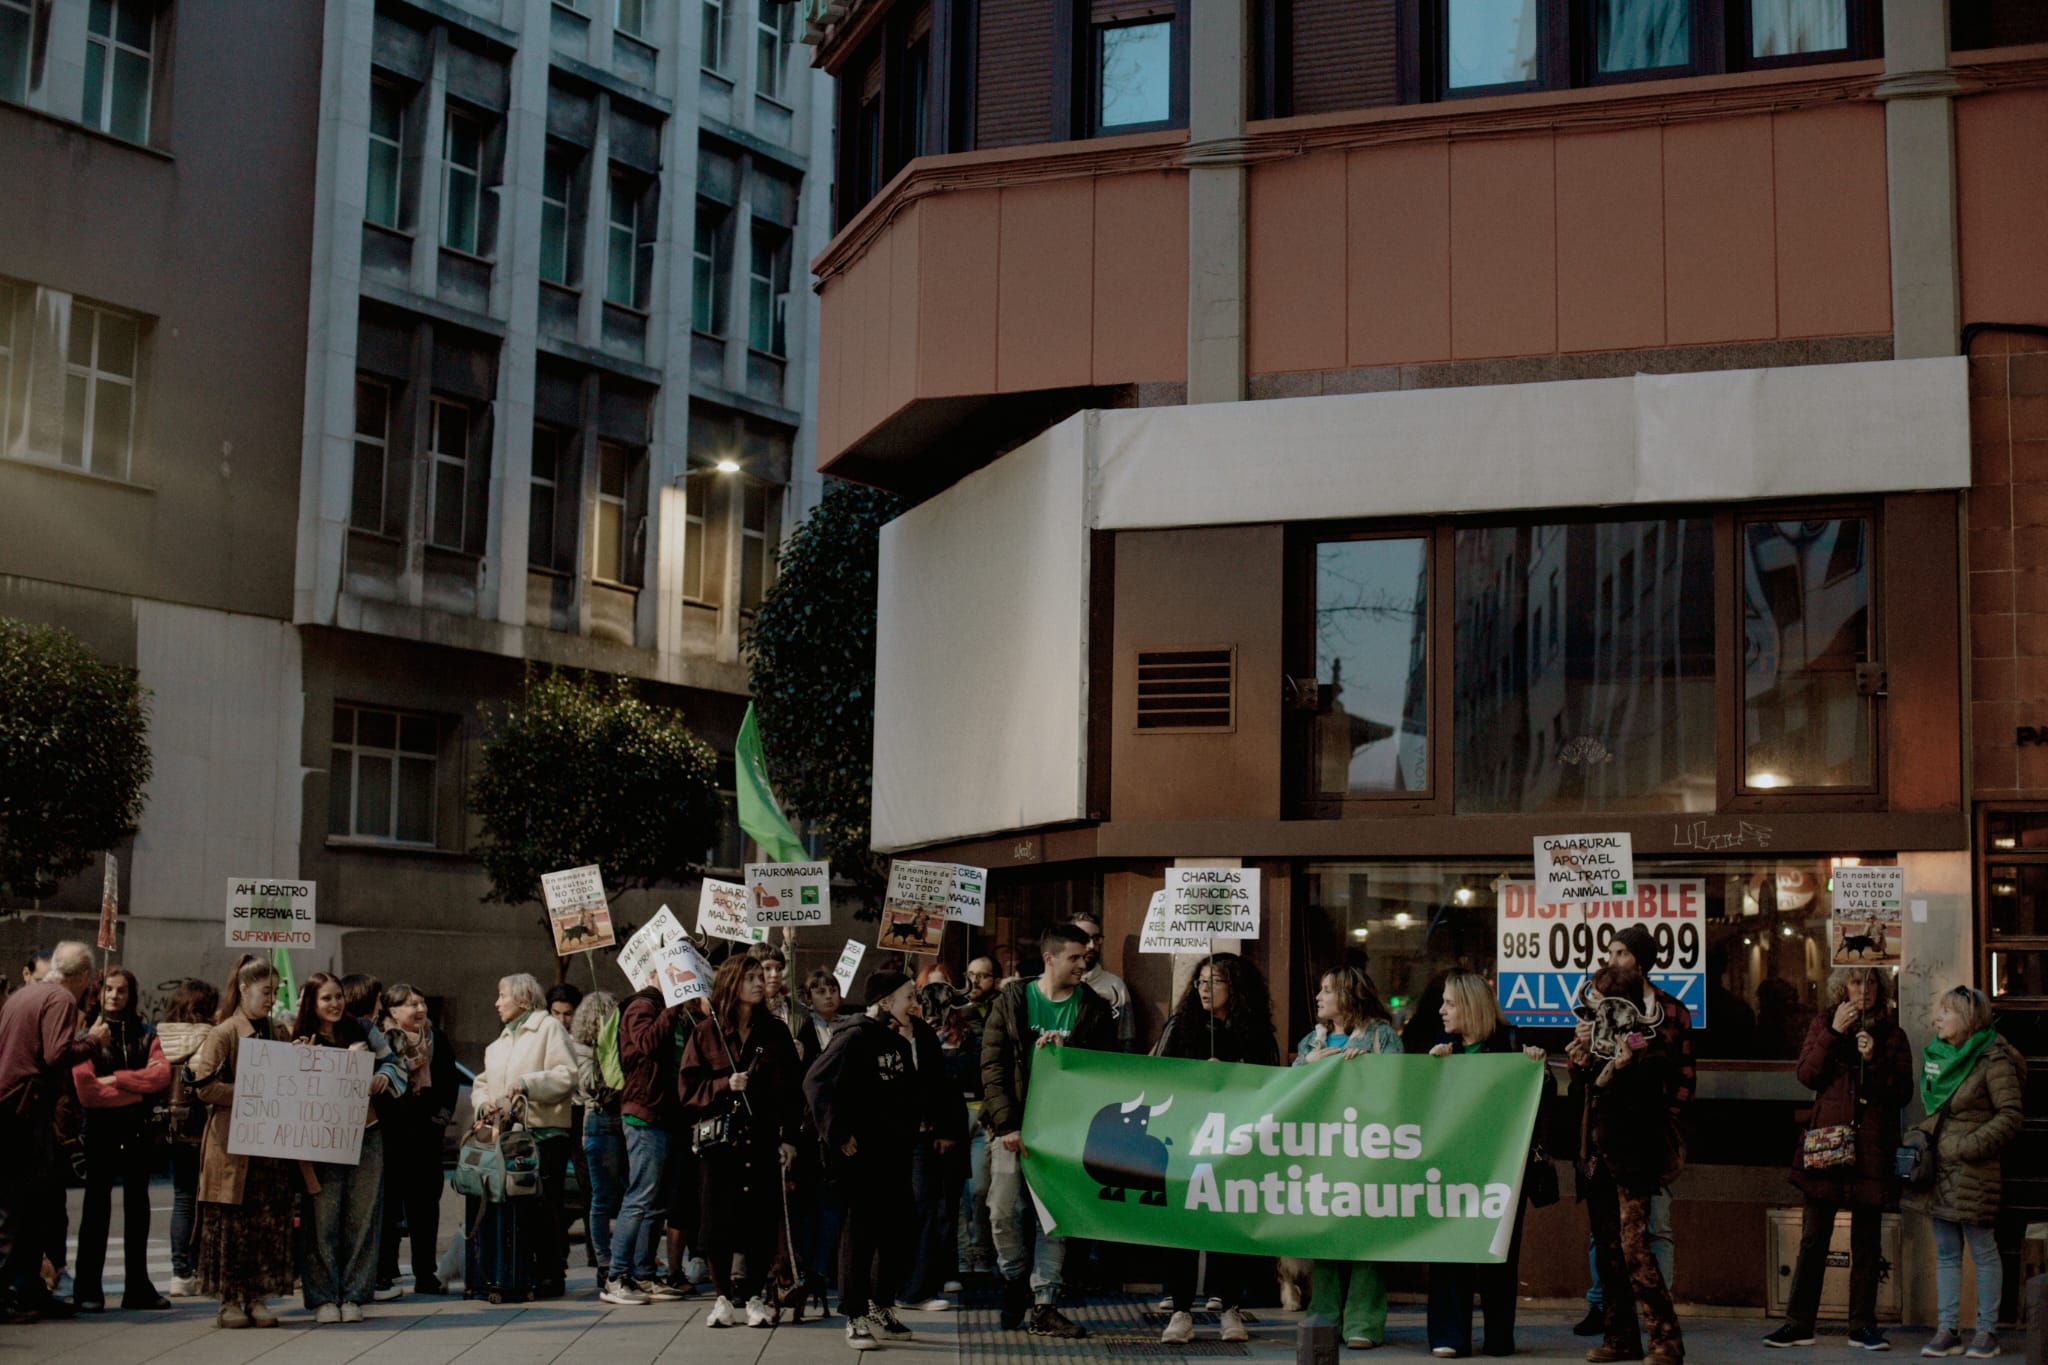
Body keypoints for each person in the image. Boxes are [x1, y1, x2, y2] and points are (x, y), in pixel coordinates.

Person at [1759, 966, 1912, 1351]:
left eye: (1872, 981)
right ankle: (1799, 1322)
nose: (1865, 990)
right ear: (1841, 987)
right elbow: (1807, 1075)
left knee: (1866, 1240)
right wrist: (1833, 1034)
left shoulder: (1893, 1034)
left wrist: (1874, 1059)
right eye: (1856, 982)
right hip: (1827, 1142)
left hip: (1871, 1146)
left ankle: (1862, 1324)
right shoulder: (1823, 1024)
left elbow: (1902, 1093)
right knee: (1813, 1237)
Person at [981, 923, 1115, 1336]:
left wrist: (1070, 1053)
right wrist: (1006, 1123)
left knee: (1051, 1219)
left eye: (1086, 955)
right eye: (1075, 956)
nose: (1083, 962)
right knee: (1001, 1211)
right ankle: (1014, 1278)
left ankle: (1044, 1301)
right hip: (1014, 1128)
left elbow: (1107, 1069)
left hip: (1063, 1132)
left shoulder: (1093, 1006)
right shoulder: (1014, 999)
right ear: (1050, 958)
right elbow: (992, 1063)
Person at [1424, 969, 1550, 1359]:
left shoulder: (1513, 1046)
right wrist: (1432, 1069)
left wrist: (1536, 1070)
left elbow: (1539, 1106)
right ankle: (1450, 1335)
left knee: (1498, 1254)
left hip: (1503, 1168)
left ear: (1471, 1006)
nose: (1442, 1011)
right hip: (1454, 1165)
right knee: (1449, 1247)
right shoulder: (1445, 1049)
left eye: (1449, 1003)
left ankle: (1499, 1337)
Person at [1156, 953, 1280, 1345]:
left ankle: (1229, 1306)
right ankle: (1179, 1310)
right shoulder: (1182, 1026)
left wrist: (1230, 1073)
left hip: (1235, 1140)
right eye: (1201, 982)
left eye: (1215, 982)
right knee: (1183, 1225)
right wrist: (1198, 1077)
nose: (1204, 990)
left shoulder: (1257, 1031)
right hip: (1187, 1139)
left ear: (1236, 987)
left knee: (1228, 1223)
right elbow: (1159, 1076)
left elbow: (1271, 1084)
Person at [1568, 960, 1686, 1365]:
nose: (1594, 1014)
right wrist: (1583, 1064)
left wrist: (1624, 1068)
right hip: (1597, 1159)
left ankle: (1665, 1340)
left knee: (1636, 1248)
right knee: (1608, 1252)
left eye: (1603, 1003)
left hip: (1632, 1161)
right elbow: (1582, 1096)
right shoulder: (1592, 1047)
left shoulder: (1650, 1049)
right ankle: (1619, 1338)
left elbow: (1650, 1105)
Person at [679, 955, 802, 1329]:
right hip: (720, 1145)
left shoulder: (775, 1031)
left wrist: (790, 1139)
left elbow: (793, 1093)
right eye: (749, 978)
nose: (758, 983)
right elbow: (687, 1089)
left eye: (759, 977)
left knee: (760, 1221)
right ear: (732, 984)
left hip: (762, 1138)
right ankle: (721, 1298)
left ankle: (753, 1297)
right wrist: (723, 1085)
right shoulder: (706, 1032)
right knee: (717, 1223)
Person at [1906, 984, 2027, 1360]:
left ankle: (1986, 1332)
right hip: (1940, 1171)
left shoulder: (1993, 1059)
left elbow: (2010, 1116)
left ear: (1969, 1019)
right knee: (1945, 1253)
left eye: (1946, 1012)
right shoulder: (1940, 1058)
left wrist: (1967, 1146)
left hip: (1974, 1172)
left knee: (1983, 1251)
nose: (1937, 1018)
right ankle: (1948, 1331)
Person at [806, 967, 924, 1350]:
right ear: (886, 1001)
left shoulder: (901, 1042)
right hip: (861, 1160)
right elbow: (815, 1082)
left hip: (895, 1156)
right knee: (858, 1235)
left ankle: (881, 1306)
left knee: (895, 1233)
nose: (915, 1004)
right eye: (909, 997)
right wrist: (838, 1133)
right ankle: (854, 1315)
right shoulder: (853, 1037)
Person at [191, 953, 309, 1329]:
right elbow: (204, 1088)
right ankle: (229, 1300)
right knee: (232, 1226)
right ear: (243, 989)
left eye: (276, 991)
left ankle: (257, 1296)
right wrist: (251, 1092)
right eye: (266, 990)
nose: (272, 998)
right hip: (230, 1149)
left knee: (267, 1222)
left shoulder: (279, 1032)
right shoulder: (223, 1033)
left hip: (268, 1149)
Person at [1295, 966, 1402, 1350]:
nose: (1319, 997)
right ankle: (1323, 1317)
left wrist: (1370, 1069)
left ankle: (1363, 1321)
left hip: (1368, 1148)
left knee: (1365, 1235)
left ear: (1349, 995)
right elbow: (1287, 1093)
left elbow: (1399, 1087)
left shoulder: (1381, 1037)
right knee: (1325, 1233)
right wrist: (1307, 1068)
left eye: (1327, 990)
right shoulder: (1312, 1042)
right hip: (1323, 1149)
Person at [0, 943, 109, 1321]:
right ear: (80, 977)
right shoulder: (61, 999)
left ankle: (29, 1289)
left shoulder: (24, 994)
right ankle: (8, 1294)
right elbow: (56, 1055)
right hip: (24, 1113)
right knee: (19, 1209)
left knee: (34, 1207)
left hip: (15, 1109)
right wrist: (94, 1040)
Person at [294, 972, 402, 1323]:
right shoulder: (300, 1038)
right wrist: (300, 1062)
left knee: (363, 1217)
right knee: (322, 1219)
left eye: (338, 996)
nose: (335, 1004)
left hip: (366, 1134)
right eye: (326, 998)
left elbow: (393, 1062)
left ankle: (355, 1296)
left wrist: (381, 1075)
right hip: (321, 1138)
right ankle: (325, 1298)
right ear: (312, 1001)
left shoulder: (362, 1030)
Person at [67, 966, 171, 1313]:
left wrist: (117, 1080)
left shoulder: (145, 1033)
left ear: (130, 994)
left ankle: (138, 1287)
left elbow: (160, 1076)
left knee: (138, 1210)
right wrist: (133, 1089)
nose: (114, 996)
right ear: (99, 992)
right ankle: (87, 1289)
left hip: (138, 1131)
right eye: (108, 989)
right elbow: (87, 1092)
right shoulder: (86, 1035)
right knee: (96, 1209)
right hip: (98, 1131)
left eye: (121, 990)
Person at [471, 973, 578, 1299]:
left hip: (545, 1133)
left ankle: (550, 1272)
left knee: (545, 1206)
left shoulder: (548, 1028)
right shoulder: (499, 1042)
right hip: (509, 1137)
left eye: (502, 995)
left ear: (522, 999)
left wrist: (529, 1084)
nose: (497, 1003)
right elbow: (481, 1083)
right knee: (519, 1207)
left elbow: (567, 1075)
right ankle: (521, 1270)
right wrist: (484, 1103)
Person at [600, 970, 685, 1306]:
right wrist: (673, 1009)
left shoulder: (668, 1008)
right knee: (640, 1195)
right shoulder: (642, 1006)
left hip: (664, 1114)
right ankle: (616, 1277)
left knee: (655, 1201)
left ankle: (644, 1275)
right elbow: (647, 1044)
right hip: (643, 1113)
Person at [897, 970, 970, 1315]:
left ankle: (917, 1287)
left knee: (930, 1209)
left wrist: (944, 1128)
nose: (919, 1004)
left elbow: (940, 1086)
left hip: (925, 1137)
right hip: (893, 1136)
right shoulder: (872, 1033)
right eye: (912, 998)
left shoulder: (924, 1036)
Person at [378, 982, 455, 1295]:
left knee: (426, 1206)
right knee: (388, 1206)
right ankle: (385, 1271)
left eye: (422, 1003)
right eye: (411, 1004)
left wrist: (440, 1118)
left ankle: (426, 1272)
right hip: (392, 1135)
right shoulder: (383, 1041)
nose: (420, 1009)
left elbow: (449, 1082)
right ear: (394, 1012)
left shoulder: (437, 1040)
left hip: (426, 1136)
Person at [157, 977, 219, 1298]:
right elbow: (207, 1082)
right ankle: (192, 1268)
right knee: (203, 1199)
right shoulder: (208, 1035)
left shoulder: (161, 1034)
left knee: (182, 1197)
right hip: (201, 1126)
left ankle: (178, 1271)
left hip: (170, 1127)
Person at [570, 990, 626, 1290]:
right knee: (601, 1198)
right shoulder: (580, 1051)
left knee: (611, 1197)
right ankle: (604, 1261)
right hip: (599, 1119)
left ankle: (612, 1259)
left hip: (607, 1122)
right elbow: (588, 1087)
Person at [544, 982, 595, 1271]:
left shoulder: (582, 1041)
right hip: (555, 1116)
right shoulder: (546, 1039)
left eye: (567, 1014)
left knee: (588, 1187)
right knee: (553, 1189)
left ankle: (593, 1253)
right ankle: (557, 1253)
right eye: (556, 1013)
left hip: (580, 1115)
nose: (562, 1020)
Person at [958, 957, 1000, 1279]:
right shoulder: (953, 1010)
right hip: (956, 1108)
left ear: (996, 980)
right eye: (971, 975)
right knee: (954, 1191)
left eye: (983, 976)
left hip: (984, 1111)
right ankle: (962, 1256)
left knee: (979, 1188)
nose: (975, 982)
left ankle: (982, 1251)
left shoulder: (1000, 1010)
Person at [1070, 917, 1139, 1053]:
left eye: (1096, 939)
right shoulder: (1050, 983)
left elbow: (1126, 1040)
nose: (1091, 945)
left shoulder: (1114, 986)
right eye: (1083, 938)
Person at [751, 944, 806, 1040]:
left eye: (779, 968)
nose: (775, 974)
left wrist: (802, 1049)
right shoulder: (743, 1009)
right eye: (767, 968)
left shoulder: (799, 1012)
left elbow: (814, 1050)